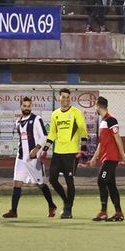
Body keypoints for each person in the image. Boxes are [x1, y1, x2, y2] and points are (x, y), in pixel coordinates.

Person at [2, 96, 58, 219]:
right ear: (21, 106)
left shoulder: (36, 119)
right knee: (17, 183)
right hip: (21, 157)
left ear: (31, 106)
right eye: (24, 106)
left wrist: (36, 149)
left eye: (29, 106)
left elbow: (44, 136)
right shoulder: (18, 121)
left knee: (40, 184)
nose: (27, 108)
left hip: (34, 159)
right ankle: (13, 211)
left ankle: (51, 205)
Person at [40, 88, 88, 219]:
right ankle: (67, 201)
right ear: (59, 98)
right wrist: (45, 149)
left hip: (71, 153)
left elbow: (83, 130)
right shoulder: (55, 114)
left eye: (68, 97)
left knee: (69, 181)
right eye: (63, 97)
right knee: (52, 180)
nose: (65, 99)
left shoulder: (76, 113)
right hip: (57, 153)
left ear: (70, 98)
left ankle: (68, 210)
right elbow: (52, 133)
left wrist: (83, 148)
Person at [88, 96, 125, 222]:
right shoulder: (103, 121)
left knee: (101, 180)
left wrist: (123, 155)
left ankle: (103, 211)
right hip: (106, 157)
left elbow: (117, 138)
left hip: (112, 158)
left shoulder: (111, 120)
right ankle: (118, 213)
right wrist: (95, 157)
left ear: (98, 106)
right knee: (110, 184)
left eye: (95, 106)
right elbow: (102, 142)